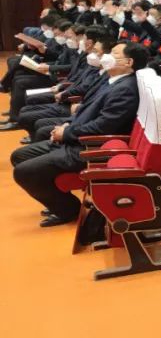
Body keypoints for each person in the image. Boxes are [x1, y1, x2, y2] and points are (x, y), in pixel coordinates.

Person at [11, 42, 147, 226]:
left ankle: (68, 210)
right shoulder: (112, 79)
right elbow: (87, 110)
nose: (107, 56)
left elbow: (103, 126)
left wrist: (67, 133)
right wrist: (68, 124)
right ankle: (58, 199)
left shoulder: (126, 89)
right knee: (19, 156)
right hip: (77, 136)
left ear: (128, 62)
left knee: (23, 172)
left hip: (88, 147)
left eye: (114, 54)